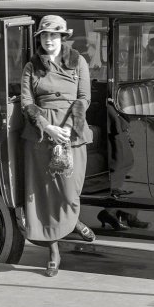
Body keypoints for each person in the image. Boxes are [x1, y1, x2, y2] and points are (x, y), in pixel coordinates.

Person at [21, 15, 96, 277]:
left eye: (54, 35)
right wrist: (47, 126)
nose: (49, 40)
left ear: (63, 37)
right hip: (42, 136)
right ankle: (53, 251)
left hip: (71, 133)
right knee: (45, 197)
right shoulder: (31, 66)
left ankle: (72, 220)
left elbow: (85, 98)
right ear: (39, 39)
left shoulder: (78, 62)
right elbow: (27, 102)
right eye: (44, 35)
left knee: (68, 190)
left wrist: (68, 126)